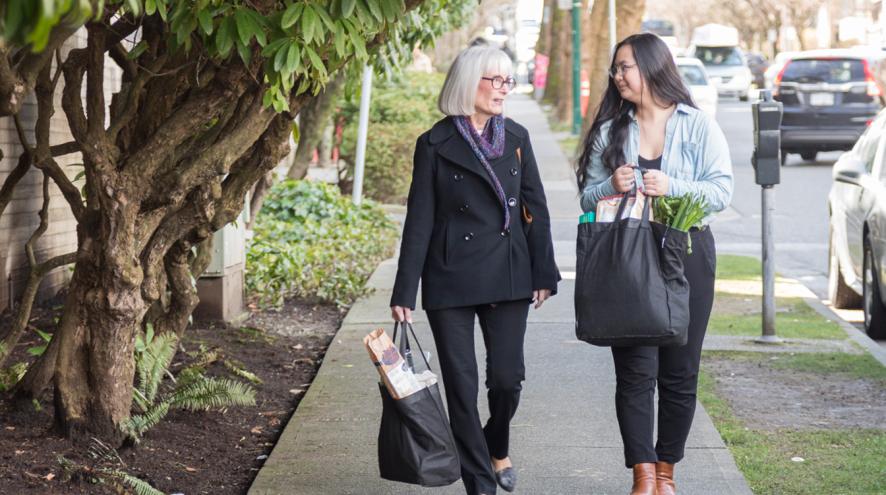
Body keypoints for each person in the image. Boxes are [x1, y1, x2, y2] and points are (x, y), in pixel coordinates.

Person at [390, 45, 560, 495]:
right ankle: (480, 486)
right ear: (470, 83)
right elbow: (420, 219)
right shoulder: (434, 143)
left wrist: (544, 272)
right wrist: (404, 291)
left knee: (507, 381)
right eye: (496, 80)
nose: (505, 89)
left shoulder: (518, 138)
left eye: (508, 80)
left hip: (508, 273)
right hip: (451, 276)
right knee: (461, 390)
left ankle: (495, 443)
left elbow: (535, 208)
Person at [576, 33, 733, 495]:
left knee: (680, 370)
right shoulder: (611, 129)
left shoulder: (698, 124)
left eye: (625, 67)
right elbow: (586, 198)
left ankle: (666, 473)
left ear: (652, 67)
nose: (617, 76)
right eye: (615, 68)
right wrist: (609, 186)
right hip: (627, 257)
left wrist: (675, 186)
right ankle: (643, 475)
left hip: (687, 254)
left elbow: (722, 191)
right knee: (635, 371)